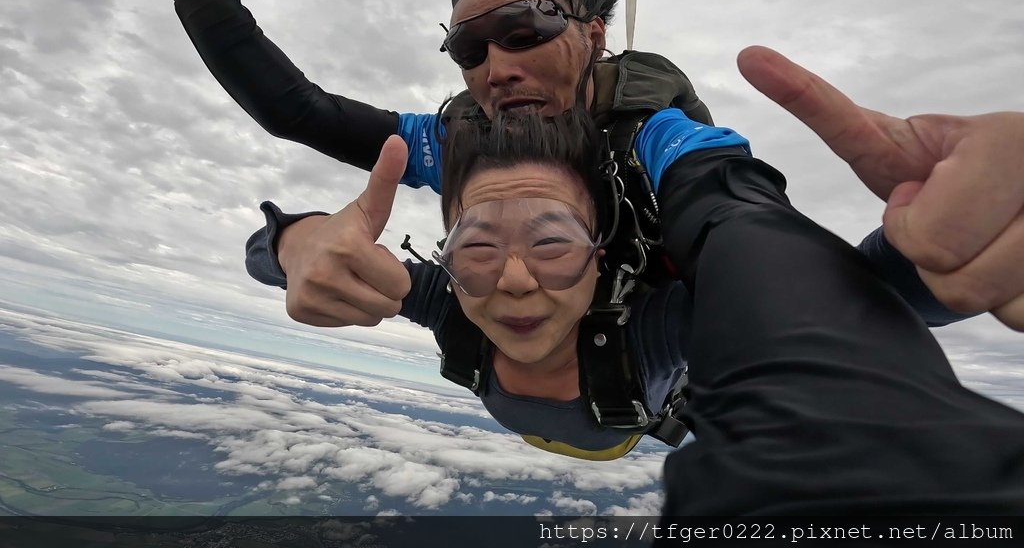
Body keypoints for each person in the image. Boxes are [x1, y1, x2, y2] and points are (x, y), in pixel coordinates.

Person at [153, 0, 1024, 331]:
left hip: (658, 346)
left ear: (594, 32)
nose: (496, 67)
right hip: (501, 346)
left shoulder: (660, 137)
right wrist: (294, 245)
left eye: (523, 30)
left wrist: (929, 262)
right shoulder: (457, 136)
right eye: (468, 48)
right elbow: (295, 111)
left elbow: (746, 231)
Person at [341, 105, 1024, 513]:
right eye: (478, 248)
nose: (514, 280)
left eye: (552, 242)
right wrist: (293, 240)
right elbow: (297, 258)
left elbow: (838, 301)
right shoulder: (449, 302)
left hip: (637, 425)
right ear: (447, 258)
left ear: (600, 254)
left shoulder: (653, 331)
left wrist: (943, 247)